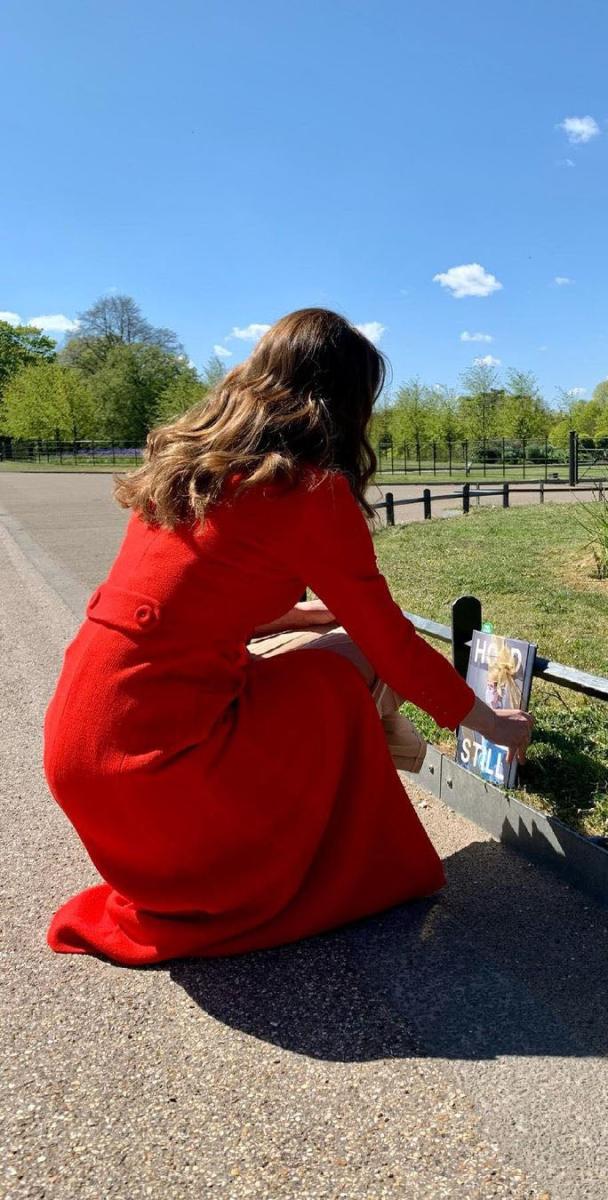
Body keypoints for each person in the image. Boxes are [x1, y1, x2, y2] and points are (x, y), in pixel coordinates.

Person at [42, 307, 534, 966]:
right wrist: (494, 726)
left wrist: (308, 618)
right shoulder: (309, 492)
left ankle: (367, 771)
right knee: (351, 664)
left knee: (317, 656)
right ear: (344, 405)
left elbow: (186, 605)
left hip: (86, 750)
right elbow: (392, 647)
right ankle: (353, 816)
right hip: (161, 775)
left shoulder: (191, 473)